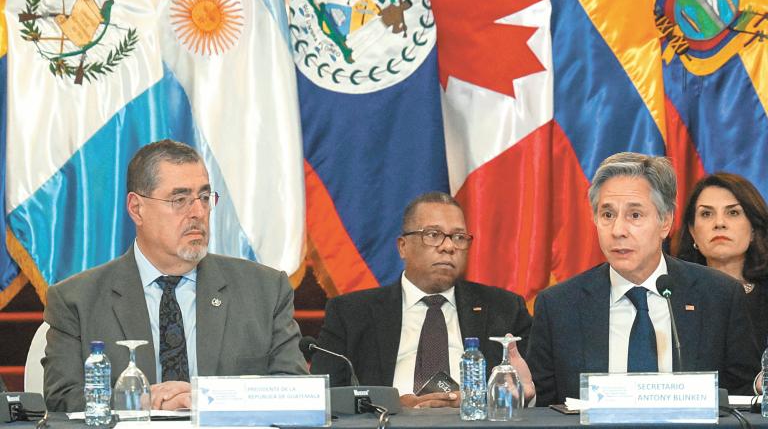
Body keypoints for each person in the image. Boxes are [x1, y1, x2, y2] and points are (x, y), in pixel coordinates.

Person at [42, 140, 307, 412]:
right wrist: (143, 401)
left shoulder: (264, 290)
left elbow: (295, 390)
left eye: (204, 197)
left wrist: (209, 397)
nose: (198, 212)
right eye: (179, 200)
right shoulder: (76, 301)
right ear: (136, 209)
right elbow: (62, 398)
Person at [526, 152, 760, 406]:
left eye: (635, 215)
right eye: (607, 215)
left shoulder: (719, 296)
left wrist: (759, 387)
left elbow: (745, 399)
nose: (618, 231)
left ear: (665, 221)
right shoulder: (559, 305)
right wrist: (524, 396)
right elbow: (543, 407)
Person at [310, 192, 534, 408]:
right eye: (433, 235)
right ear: (403, 247)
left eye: (459, 237)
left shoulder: (504, 308)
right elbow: (326, 397)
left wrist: (487, 402)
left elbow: (535, 390)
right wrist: (392, 406)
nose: (448, 247)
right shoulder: (351, 312)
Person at [678, 172, 768, 350]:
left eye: (733, 212)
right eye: (706, 214)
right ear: (692, 231)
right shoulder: (673, 295)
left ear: (753, 230)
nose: (719, 223)